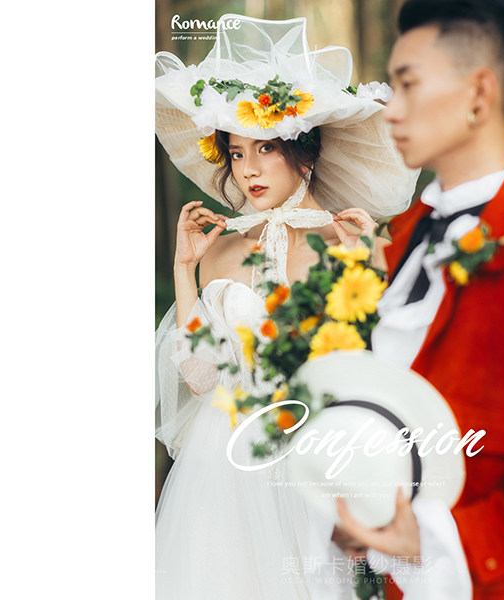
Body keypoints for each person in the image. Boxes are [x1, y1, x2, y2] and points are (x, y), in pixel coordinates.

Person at [153, 15, 419, 599]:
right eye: (236, 152)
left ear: (304, 152)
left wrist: (372, 271)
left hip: (315, 460)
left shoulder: (350, 243)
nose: (247, 169)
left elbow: (386, 372)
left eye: (265, 148)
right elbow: (200, 377)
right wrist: (183, 270)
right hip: (221, 471)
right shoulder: (221, 250)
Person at [332, 1, 504, 598]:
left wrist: (440, 540)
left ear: (479, 94)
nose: (391, 110)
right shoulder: (400, 243)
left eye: (408, 84)